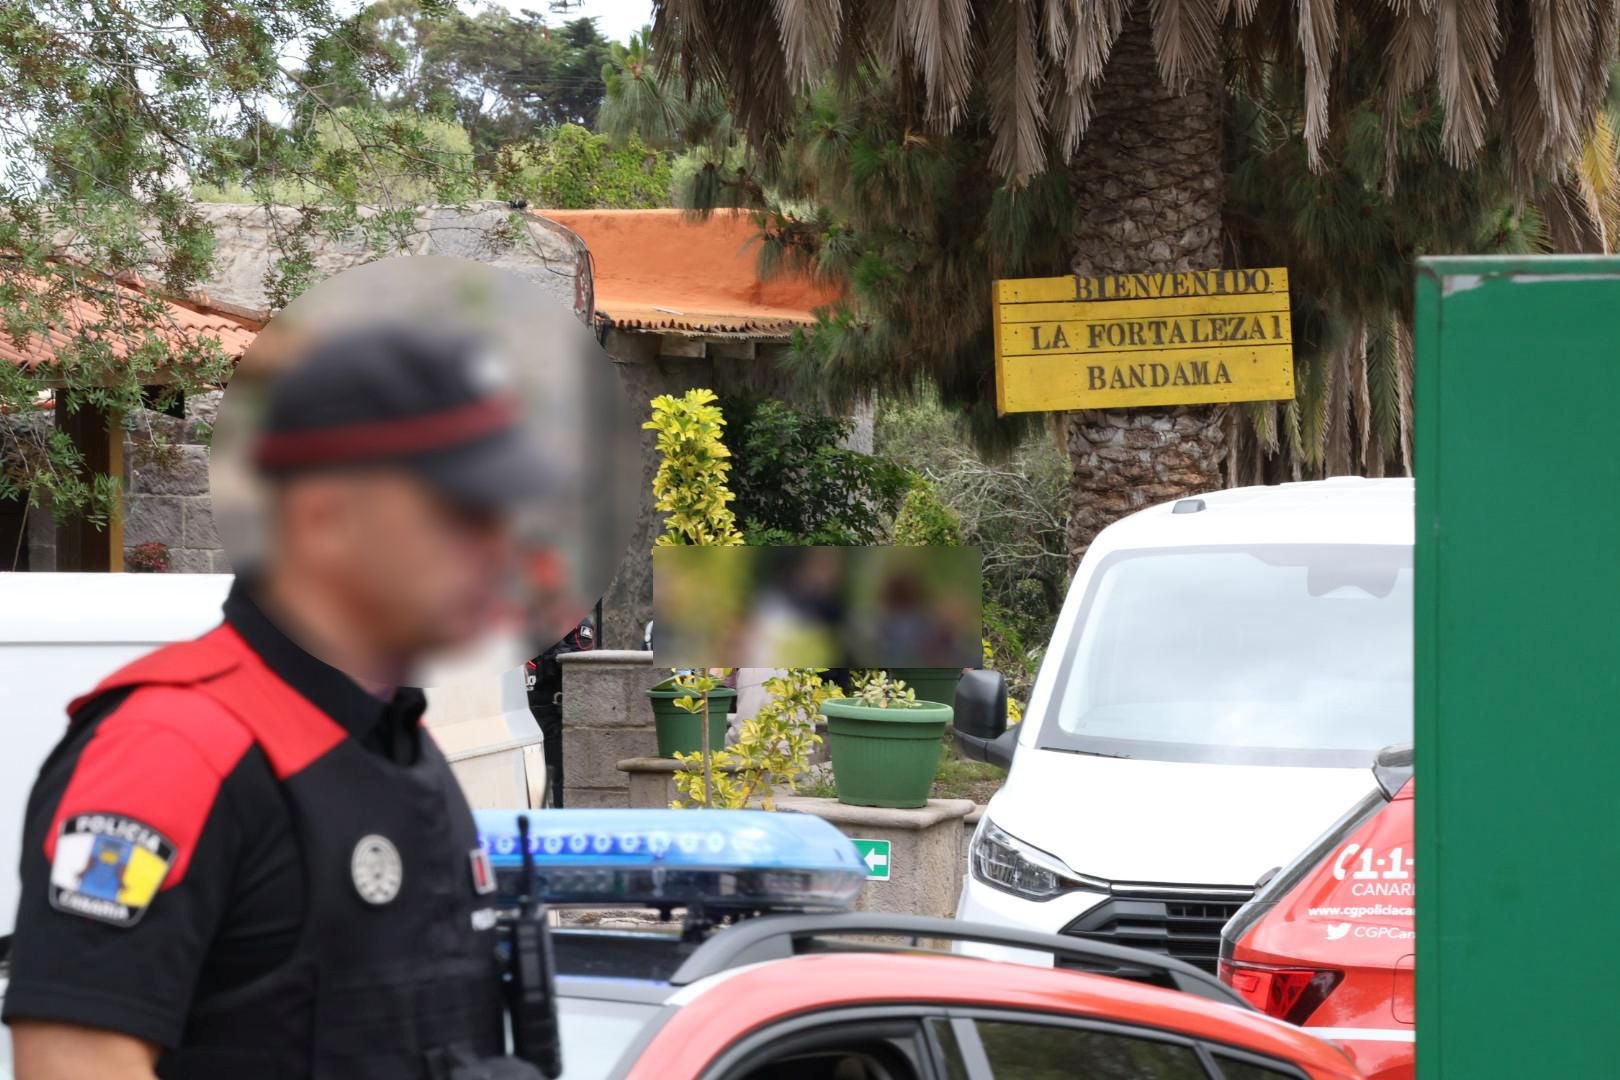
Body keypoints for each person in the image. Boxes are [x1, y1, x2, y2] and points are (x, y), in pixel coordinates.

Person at [4, 324, 555, 1080]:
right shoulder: (170, 750)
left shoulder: (401, 745)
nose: (502, 549)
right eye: (464, 512)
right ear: (324, 516)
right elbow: (72, 1061)